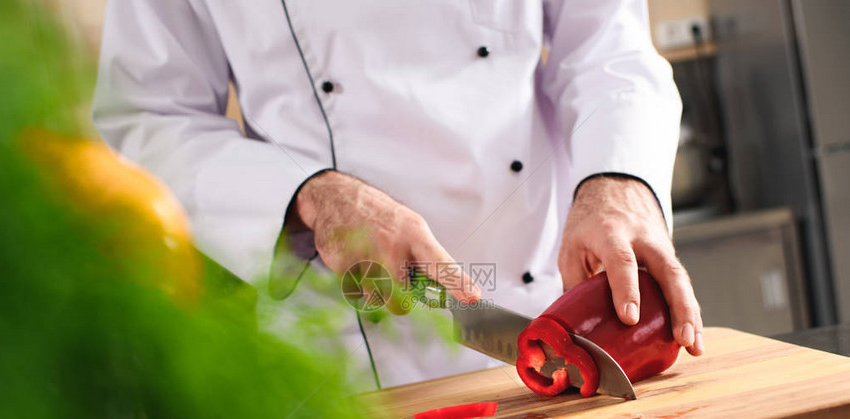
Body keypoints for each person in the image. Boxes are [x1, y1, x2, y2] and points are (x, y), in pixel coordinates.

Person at [93, 0, 704, 388]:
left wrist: (617, 180)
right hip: (350, 363)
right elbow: (148, 119)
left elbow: (607, 45)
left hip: (557, 304)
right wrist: (313, 195)